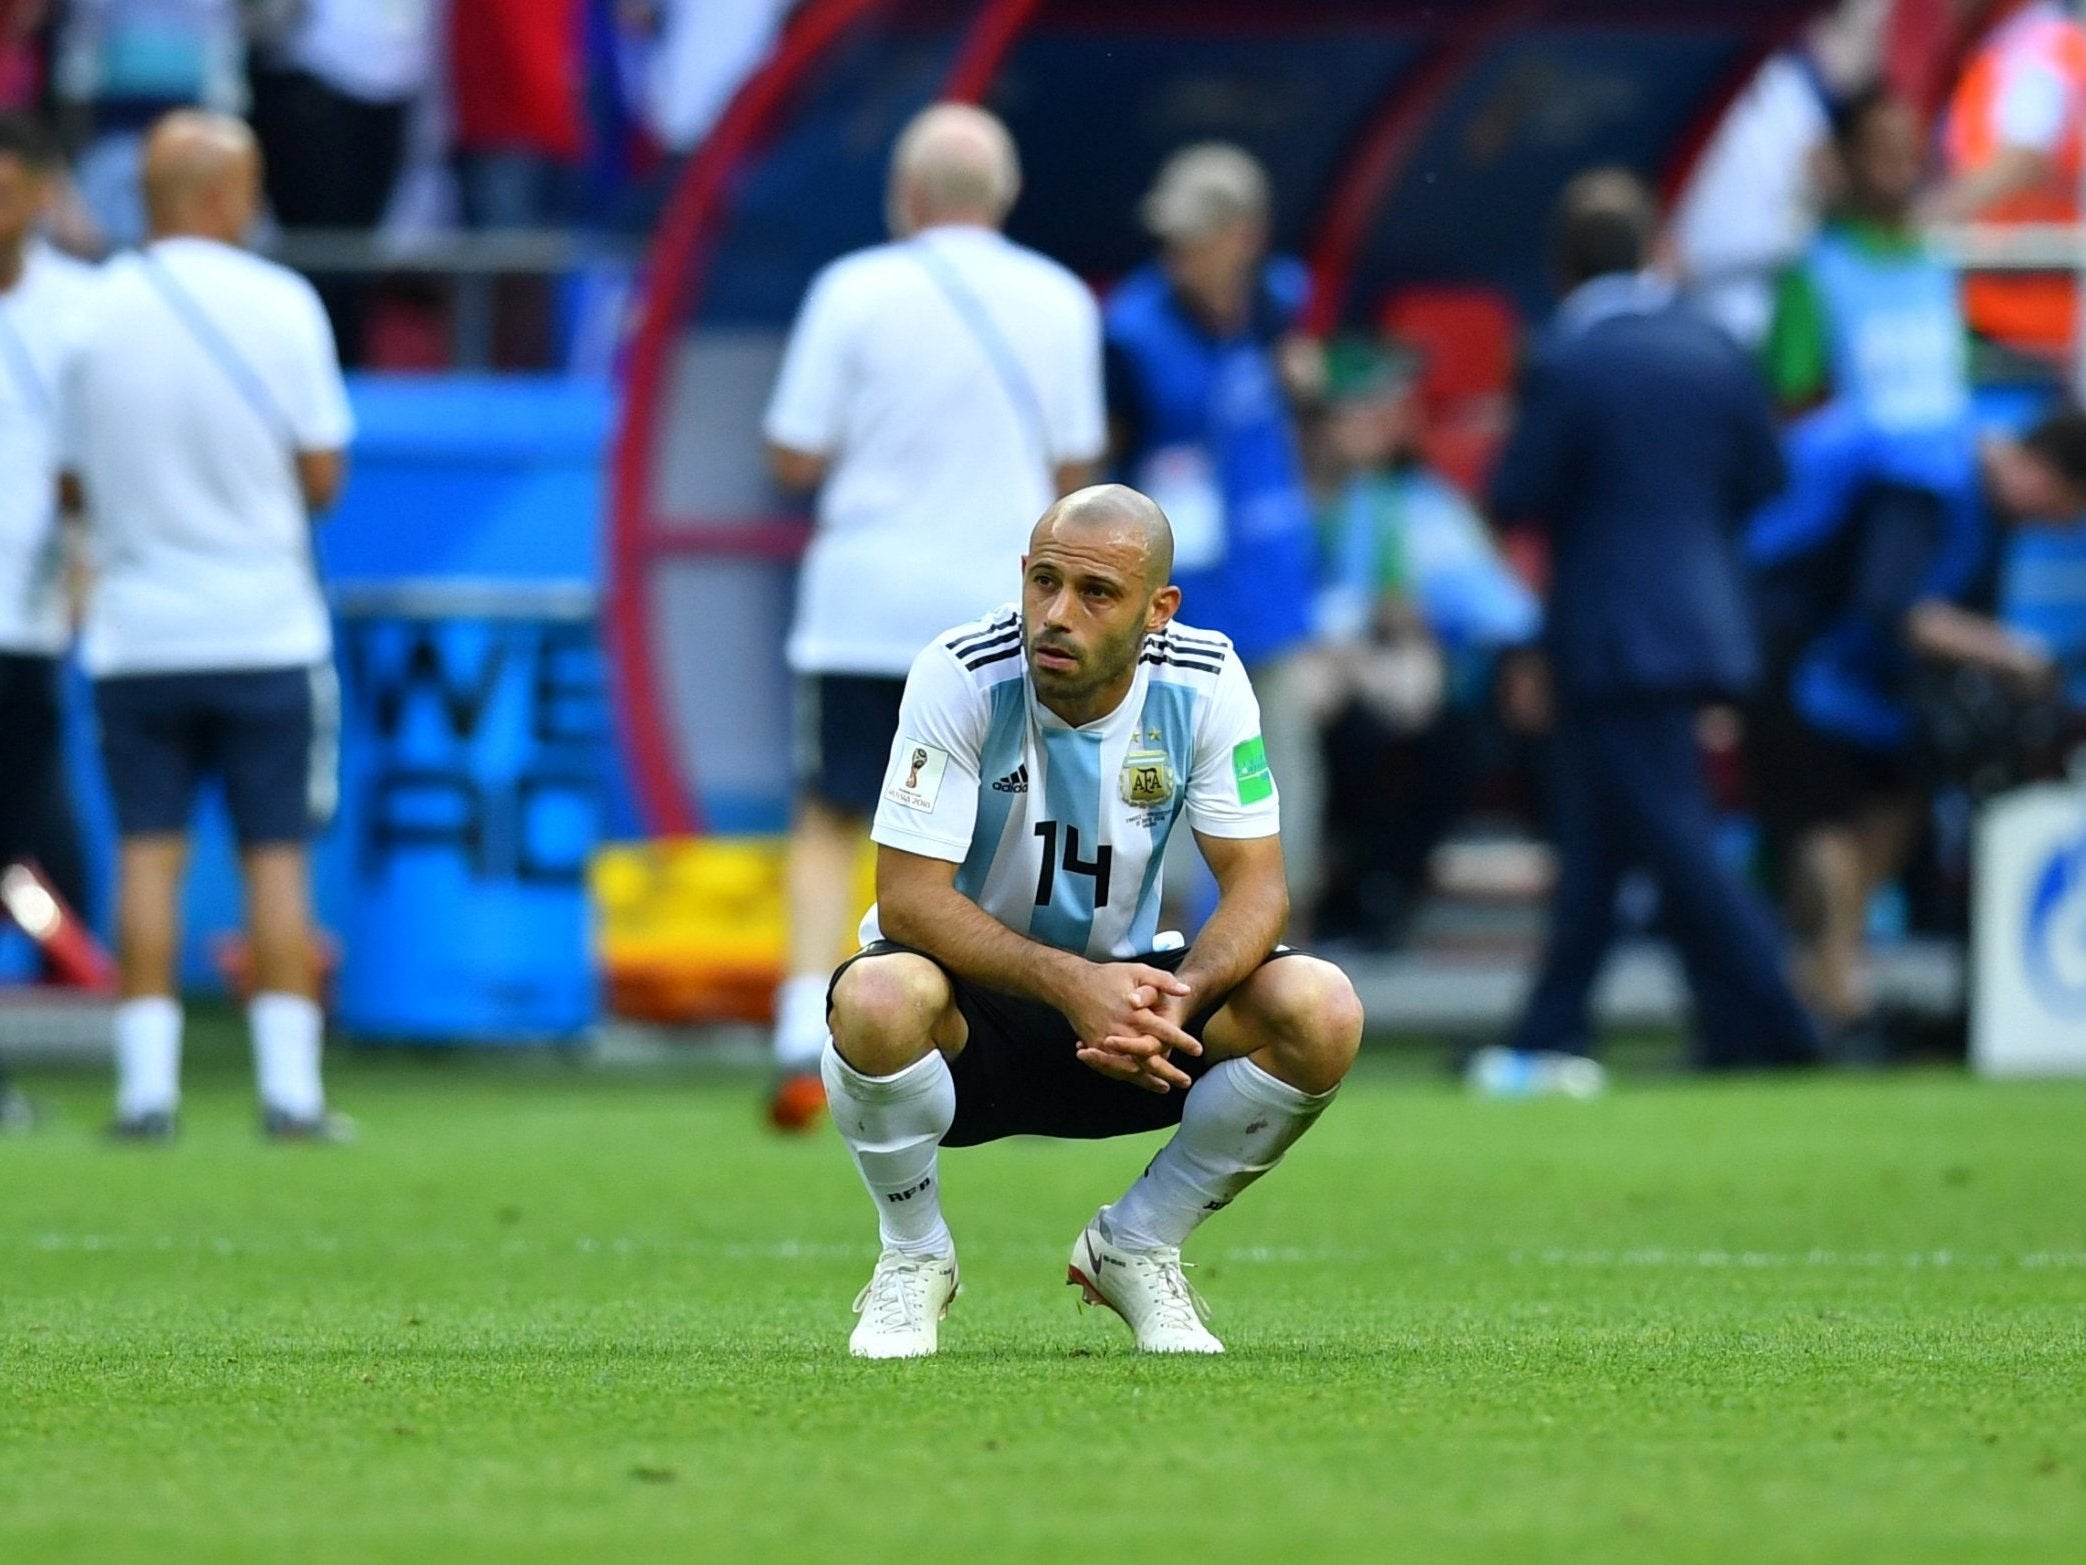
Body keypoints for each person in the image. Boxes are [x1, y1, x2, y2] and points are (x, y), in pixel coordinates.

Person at [822, 484, 1361, 1358]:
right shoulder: (962, 671)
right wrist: (1075, 985)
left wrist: (1177, 1001)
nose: (1056, 614)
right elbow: (908, 897)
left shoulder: (1206, 676)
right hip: (972, 1019)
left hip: (1133, 1022)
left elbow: (1258, 889)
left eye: (1095, 593)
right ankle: (913, 1256)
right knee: (879, 994)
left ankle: (1137, 1243)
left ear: (1159, 610)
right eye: (1043, 582)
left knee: (1321, 1006)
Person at [761, 102, 1105, 1131]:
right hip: (1007, 611)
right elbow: (1078, 476)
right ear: (1004, 196)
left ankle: (798, 1029)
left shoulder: (852, 290)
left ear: (906, 196)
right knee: (1007, 819)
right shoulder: (1059, 300)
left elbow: (792, 452)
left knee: (832, 814)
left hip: (864, 603)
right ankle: (1009, 1026)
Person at [1475, 169, 1819, 1094]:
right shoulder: (1712, 344)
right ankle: (1551, 1031)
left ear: (1563, 265)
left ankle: (1785, 1024)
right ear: (1650, 249)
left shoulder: (1569, 356)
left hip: (1609, 633)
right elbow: (1766, 482)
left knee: (1676, 839)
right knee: (1603, 841)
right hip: (1705, 619)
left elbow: (1516, 494)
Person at [60, 111, 353, 1141]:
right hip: (266, 629)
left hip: (138, 633)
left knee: (148, 857)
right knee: (275, 858)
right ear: (228, 193)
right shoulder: (283, 304)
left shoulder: (92, 314)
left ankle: (147, 1091)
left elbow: (67, 479)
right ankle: (291, 1091)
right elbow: (323, 476)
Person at [1747, 404, 2086, 1048]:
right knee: (1825, 830)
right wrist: (2011, 654)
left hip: (1869, 691)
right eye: (2071, 505)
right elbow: (1890, 607)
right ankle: (1830, 990)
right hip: (1800, 667)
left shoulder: (1988, 512)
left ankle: (1826, 981)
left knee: (1894, 811)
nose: (2065, 527)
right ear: (2042, 472)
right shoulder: (1928, 482)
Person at [1104, 143, 1326, 935]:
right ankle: (1152, 948)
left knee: (1280, 776)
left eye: (1195, 238)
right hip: (1174, 602)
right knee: (1155, 779)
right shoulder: (1129, 333)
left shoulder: (1280, 305)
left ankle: (1265, 946)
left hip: (1271, 587)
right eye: (1171, 238)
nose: (1178, 257)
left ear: (1244, 236)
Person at [1302, 338, 1541, 945]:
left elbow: (1504, 611)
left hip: (1418, 685)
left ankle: (1382, 892)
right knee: (1343, 726)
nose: (1386, 420)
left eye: (1392, 406)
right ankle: (1327, 894)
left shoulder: (1415, 500)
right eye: (1364, 406)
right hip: (1310, 686)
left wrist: (1417, 629)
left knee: (1461, 734)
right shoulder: (1287, 500)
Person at [0, 113, 96, 1134]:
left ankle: (65, 991)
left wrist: (90, 567)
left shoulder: (83, 309)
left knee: (16, 838)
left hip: (27, 621)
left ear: (38, 194)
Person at [1764, 86, 1968, 435]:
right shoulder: (1813, 273)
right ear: (1846, 160)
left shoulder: (1939, 264)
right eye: (1883, 154)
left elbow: (1957, 383)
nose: (1901, 171)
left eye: (1909, 154)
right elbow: (1791, 398)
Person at [247, 0, 434, 365]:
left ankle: (344, 378)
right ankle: (309, 380)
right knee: (319, 261)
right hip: (310, 71)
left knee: (357, 265)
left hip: (394, 81)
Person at [1934, 0, 2086, 368]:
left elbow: (2023, 161)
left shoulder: (2039, 48)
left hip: (2033, 317)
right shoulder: (2005, 47)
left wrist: (1922, 220)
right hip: (2005, 305)